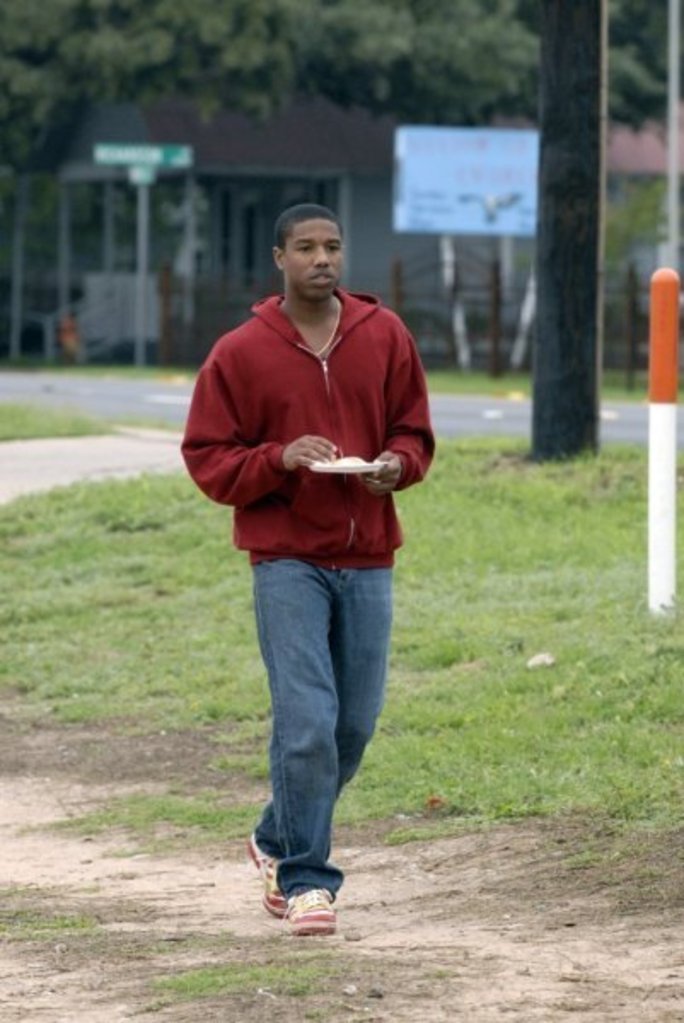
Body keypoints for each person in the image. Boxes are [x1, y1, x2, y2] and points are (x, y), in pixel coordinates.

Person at [181, 203, 434, 937]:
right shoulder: (240, 352)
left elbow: (413, 429)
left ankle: (272, 832)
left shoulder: (385, 336)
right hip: (286, 559)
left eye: (332, 246)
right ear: (279, 258)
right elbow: (207, 456)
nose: (322, 258)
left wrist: (398, 465)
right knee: (306, 722)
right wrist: (278, 457)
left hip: (368, 556)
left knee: (353, 723)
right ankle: (307, 879)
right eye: (306, 247)